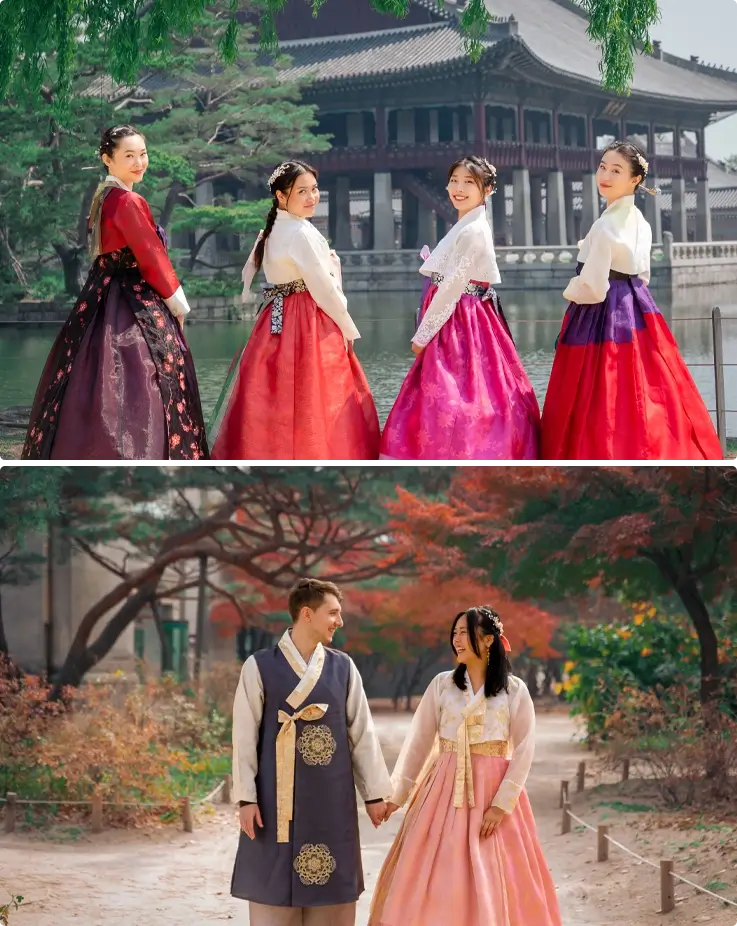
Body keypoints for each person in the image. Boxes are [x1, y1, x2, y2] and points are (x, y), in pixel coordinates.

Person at [22, 124, 209, 463]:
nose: (140, 162)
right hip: (130, 295)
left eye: (143, 154)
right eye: (129, 156)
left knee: (95, 373)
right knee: (147, 370)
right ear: (107, 159)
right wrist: (178, 305)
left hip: (103, 294)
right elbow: (151, 255)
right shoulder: (127, 200)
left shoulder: (105, 197)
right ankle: (144, 455)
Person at [369, 606, 562, 926]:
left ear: (488, 640)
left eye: (465, 633)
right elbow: (418, 744)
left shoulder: (513, 690)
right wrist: (396, 796)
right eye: (455, 633)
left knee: (495, 870)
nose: (457, 640)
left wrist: (501, 806)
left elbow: (525, 749)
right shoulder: (442, 685)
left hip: (493, 791)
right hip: (443, 790)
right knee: (437, 871)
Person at [540, 140, 723, 462]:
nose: (605, 175)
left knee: (598, 390)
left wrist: (571, 291)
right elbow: (644, 274)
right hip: (638, 306)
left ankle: (595, 454)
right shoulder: (640, 220)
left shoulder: (604, 225)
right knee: (643, 383)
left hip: (602, 312)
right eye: (603, 167)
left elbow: (593, 288)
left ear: (635, 179)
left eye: (616, 170)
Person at [231, 578, 392, 926]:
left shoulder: (343, 667)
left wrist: (375, 794)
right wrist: (246, 798)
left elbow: (362, 734)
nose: (340, 621)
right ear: (307, 614)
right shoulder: (259, 666)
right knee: (273, 885)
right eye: (333, 613)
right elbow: (243, 737)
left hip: (330, 796)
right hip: (274, 799)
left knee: (331, 886)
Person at [209, 161, 380, 462]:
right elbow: (323, 288)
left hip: (274, 317)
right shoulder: (300, 232)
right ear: (280, 196)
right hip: (306, 317)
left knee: (274, 391)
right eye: (302, 191)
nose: (311, 197)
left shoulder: (272, 230)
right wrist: (347, 327)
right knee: (314, 389)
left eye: (314, 189)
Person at [379, 156, 540, 462]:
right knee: (467, 387)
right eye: (454, 180)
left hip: (461, 318)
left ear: (487, 189)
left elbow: (453, 286)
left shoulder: (472, 231)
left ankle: (461, 451)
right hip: (465, 313)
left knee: (455, 391)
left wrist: (423, 335)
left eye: (469, 182)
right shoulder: (468, 224)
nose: (458, 188)